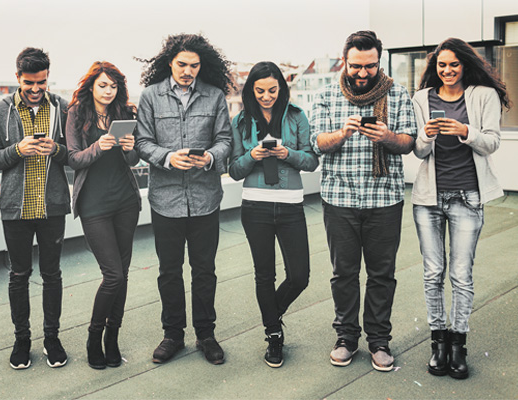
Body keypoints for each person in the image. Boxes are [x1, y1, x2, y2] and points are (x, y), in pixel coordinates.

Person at [310, 31, 416, 372]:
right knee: (344, 273)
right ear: (345, 61)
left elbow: (408, 142)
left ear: (378, 62)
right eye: (356, 66)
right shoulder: (326, 95)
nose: (362, 73)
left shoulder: (398, 95)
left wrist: (386, 136)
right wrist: (342, 133)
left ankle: (379, 341)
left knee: (382, 274)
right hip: (339, 199)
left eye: (370, 66)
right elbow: (317, 143)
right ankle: (345, 338)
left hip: (384, 199)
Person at [411, 38, 510, 380]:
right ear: (435, 67)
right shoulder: (421, 99)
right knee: (432, 272)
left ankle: (458, 346)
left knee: (461, 275)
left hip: (468, 196)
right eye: (442, 65)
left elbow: (492, 142)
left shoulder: (484, 95)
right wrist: (425, 136)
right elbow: (420, 152)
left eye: (453, 64)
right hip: (429, 199)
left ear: (464, 64)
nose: (448, 71)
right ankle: (438, 344)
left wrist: (466, 131)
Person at [135, 33, 233, 365]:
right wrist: (166, 157)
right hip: (165, 200)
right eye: (182, 65)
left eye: (194, 65)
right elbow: (142, 143)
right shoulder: (150, 96)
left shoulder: (216, 96)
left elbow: (225, 141)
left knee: (205, 270)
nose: (188, 71)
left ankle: (206, 334)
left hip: (206, 199)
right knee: (169, 272)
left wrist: (208, 158)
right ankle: (172, 335)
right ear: (169, 63)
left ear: (201, 65)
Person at [0, 47, 70, 370]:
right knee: (18, 275)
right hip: (15, 209)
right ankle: (22, 339)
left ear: (48, 78)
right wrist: (17, 150)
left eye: (42, 83)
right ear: (17, 77)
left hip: (52, 207)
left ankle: (52, 338)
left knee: (52, 274)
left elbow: (72, 153)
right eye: (29, 83)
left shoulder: (61, 106)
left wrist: (57, 150)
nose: (36, 90)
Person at [228, 61, 318, 368]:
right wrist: (252, 155)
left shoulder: (296, 116)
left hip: (291, 204)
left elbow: (311, 161)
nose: (267, 96)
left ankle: (271, 314)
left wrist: (286, 154)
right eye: (260, 91)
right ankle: (274, 335)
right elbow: (234, 170)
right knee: (264, 274)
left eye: (272, 90)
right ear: (251, 91)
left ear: (282, 88)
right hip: (255, 205)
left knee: (300, 276)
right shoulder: (240, 121)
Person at [66, 61, 141, 369]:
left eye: (113, 86)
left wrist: (128, 147)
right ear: (91, 86)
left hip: (125, 202)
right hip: (94, 206)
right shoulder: (76, 114)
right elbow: (72, 160)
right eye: (103, 85)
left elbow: (134, 160)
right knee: (112, 275)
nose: (108, 91)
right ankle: (94, 336)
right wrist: (98, 146)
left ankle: (113, 339)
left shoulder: (124, 113)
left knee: (122, 276)